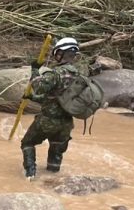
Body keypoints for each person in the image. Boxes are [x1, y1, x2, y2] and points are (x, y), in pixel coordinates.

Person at [20, 37, 87, 179]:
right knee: (56, 153)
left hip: (47, 121)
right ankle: (52, 179)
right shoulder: (80, 77)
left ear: (60, 54)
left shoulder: (55, 74)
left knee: (27, 143)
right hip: (66, 124)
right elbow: (56, 98)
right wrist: (32, 98)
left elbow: (38, 87)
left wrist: (35, 71)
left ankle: (30, 174)